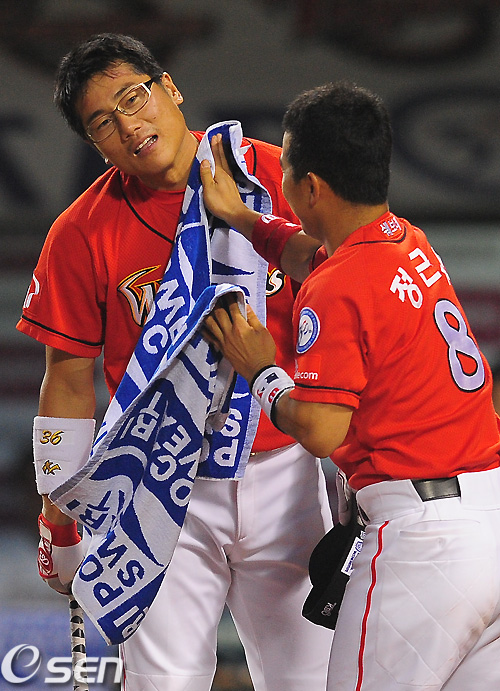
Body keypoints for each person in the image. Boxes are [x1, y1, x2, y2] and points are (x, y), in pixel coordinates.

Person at [17, 33, 335, 691]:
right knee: (163, 682)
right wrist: (58, 510)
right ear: (95, 144)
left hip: (288, 474)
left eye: (134, 98)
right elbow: (67, 380)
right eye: (103, 122)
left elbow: (355, 295)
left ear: (170, 88)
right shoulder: (80, 231)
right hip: (159, 485)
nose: (129, 126)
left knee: (313, 679)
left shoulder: (273, 175)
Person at [201, 81, 500, 690]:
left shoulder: (337, 288)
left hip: (422, 543)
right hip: (488, 523)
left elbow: (319, 430)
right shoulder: (406, 240)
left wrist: (261, 370)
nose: (283, 180)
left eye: (287, 168)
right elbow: (316, 257)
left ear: (310, 187)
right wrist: (245, 220)